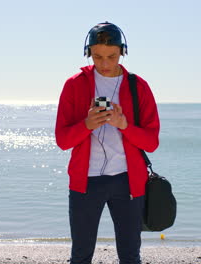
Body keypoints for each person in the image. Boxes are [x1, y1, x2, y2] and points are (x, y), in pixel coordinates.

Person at [55, 21, 160, 264]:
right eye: (97, 56)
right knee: (80, 256)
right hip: (85, 182)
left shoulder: (139, 87)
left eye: (111, 56)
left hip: (128, 181)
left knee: (130, 256)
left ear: (122, 52)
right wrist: (87, 124)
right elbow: (62, 140)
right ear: (88, 52)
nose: (104, 64)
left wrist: (124, 125)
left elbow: (152, 142)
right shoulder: (74, 85)